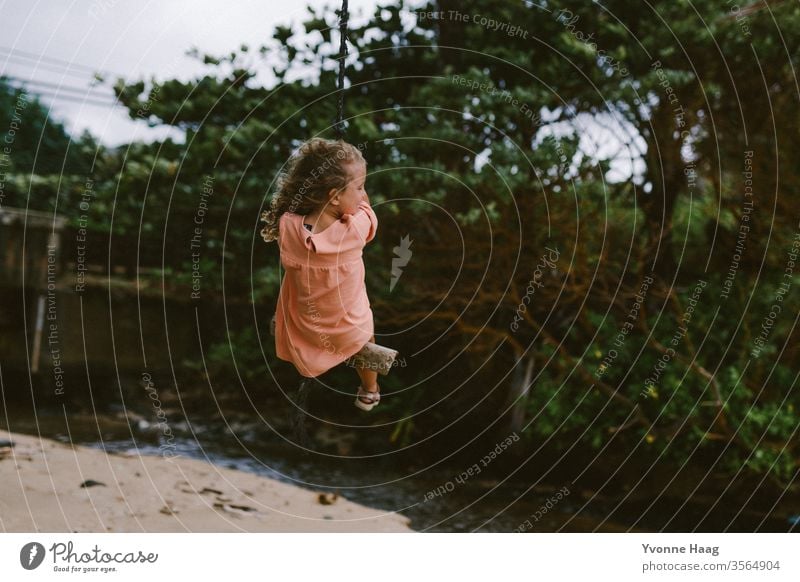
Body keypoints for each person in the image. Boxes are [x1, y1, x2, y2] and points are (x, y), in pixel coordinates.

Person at [260, 138, 380, 411]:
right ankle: (369, 390)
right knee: (366, 339)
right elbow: (368, 212)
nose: (362, 195)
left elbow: (307, 218)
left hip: (306, 325)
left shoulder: (288, 227)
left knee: (293, 289)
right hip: (347, 327)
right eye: (360, 187)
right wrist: (360, 200)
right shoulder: (354, 231)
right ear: (335, 195)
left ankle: (284, 327)